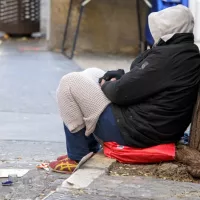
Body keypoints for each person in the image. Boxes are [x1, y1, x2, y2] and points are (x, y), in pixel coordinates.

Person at [49, 5, 200, 173]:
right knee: (94, 73)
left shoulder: (167, 57)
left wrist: (108, 84)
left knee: (70, 82)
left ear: (168, 30)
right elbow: (144, 83)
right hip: (152, 129)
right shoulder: (185, 54)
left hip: (135, 132)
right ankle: (87, 148)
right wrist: (117, 78)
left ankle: (77, 155)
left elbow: (119, 93)